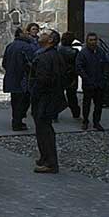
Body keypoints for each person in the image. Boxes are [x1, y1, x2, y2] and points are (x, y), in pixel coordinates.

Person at [29, 31, 67, 174]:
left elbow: (42, 80)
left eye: (44, 33)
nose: (40, 34)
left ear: (50, 40)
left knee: (44, 131)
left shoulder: (46, 56)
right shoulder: (52, 54)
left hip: (44, 99)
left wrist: (34, 93)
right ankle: (45, 157)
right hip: (49, 98)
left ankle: (50, 163)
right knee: (43, 129)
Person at [2, 27, 35, 131]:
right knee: (23, 101)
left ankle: (16, 120)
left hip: (12, 77)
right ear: (20, 34)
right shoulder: (27, 47)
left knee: (15, 101)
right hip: (22, 79)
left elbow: (4, 63)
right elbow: (30, 63)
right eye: (26, 32)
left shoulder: (10, 46)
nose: (28, 33)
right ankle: (17, 122)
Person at [76, 33, 108, 131]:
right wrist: (86, 79)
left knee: (98, 105)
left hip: (99, 83)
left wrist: (104, 78)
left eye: (94, 40)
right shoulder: (83, 53)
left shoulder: (101, 52)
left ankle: (97, 122)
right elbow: (79, 67)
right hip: (88, 83)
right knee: (86, 104)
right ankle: (85, 121)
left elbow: (106, 66)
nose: (93, 42)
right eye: (91, 40)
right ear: (87, 41)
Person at [58, 31, 81, 119]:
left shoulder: (58, 50)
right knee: (72, 95)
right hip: (71, 75)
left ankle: (54, 114)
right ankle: (75, 113)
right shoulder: (74, 52)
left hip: (60, 74)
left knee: (57, 95)